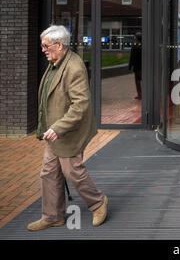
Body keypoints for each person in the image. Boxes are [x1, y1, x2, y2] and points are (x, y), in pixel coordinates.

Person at [27, 25, 108, 231]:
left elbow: (81, 104)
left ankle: (98, 202)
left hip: (69, 131)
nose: (43, 49)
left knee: (73, 171)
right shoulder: (56, 62)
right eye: (42, 45)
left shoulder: (74, 67)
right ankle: (53, 216)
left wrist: (59, 127)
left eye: (46, 45)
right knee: (49, 172)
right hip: (55, 132)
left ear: (59, 45)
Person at [129, 32, 142, 100]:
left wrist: (130, 66)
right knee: (141, 81)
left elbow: (132, 57)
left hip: (137, 67)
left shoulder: (134, 46)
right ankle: (141, 94)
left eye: (135, 38)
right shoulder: (144, 45)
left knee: (137, 81)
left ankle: (140, 94)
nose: (134, 39)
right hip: (142, 67)